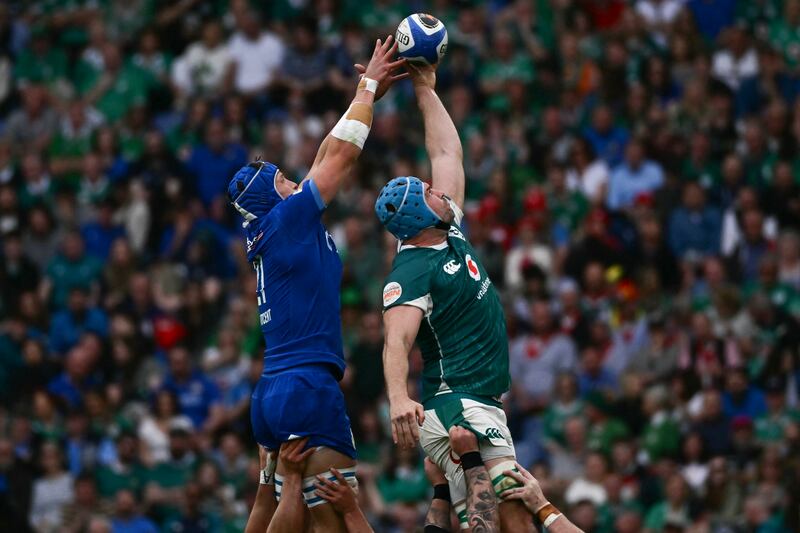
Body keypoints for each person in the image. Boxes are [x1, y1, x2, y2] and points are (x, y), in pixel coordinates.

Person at [229, 36, 406, 533]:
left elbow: (329, 150)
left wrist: (362, 96)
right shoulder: (288, 221)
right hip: (307, 386)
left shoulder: (276, 227)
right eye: (284, 179)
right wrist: (368, 87)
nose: (294, 180)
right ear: (272, 196)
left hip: (273, 391)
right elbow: (341, 157)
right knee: (332, 525)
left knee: (281, 512)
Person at [374, 62, 532, 532]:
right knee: (507, 507)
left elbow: (446, 149)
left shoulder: (447, 228)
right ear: (420, 216)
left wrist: (424, 85)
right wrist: (398, 398)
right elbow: (395, 342)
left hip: (480, 399)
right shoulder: (411, 271)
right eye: (427, 191)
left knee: (502, 516)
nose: (436, 189)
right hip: (455, 402)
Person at [502, 463, 585, 533]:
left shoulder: (560, 503)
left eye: (543, 477)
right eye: (537, 477)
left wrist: (541, 505)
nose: (539, 483)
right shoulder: (520, 503)